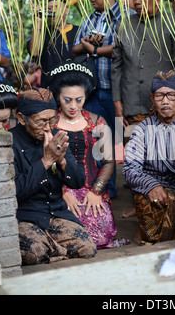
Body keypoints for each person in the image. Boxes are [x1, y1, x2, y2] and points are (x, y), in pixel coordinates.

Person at [49, 57, 130, 248]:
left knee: (100, 234)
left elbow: (109, 163)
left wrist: (96, 191)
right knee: (72, 233)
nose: (73, 106)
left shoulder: (97, 121)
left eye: (79, 100)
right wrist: (61, 192)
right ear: (57, 97)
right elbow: (45, 162)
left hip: (92, 187)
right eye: (67, 100)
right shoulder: (49, 123)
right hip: (58, 189)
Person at [9, 87, 96, 265]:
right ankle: (57, 250)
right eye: (41, 122)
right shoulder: (10, 142)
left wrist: (62, 160)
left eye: (52, 120)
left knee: (88, 247)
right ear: (21, 118)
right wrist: (47, 161)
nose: (48, 127)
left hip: (55, 212)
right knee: (35, 253)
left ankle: (53, 250)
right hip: (26, 216)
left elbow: (79, 181)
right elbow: (15, 191)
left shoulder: (56, 135)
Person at [123, 70, 175, 245]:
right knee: (147, 202)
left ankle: (164, 231)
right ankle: (162, 232)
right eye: (160, 96)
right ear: (152, 98)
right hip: (154, 191)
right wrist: (152, 186)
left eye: (171, 96)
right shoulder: (141, 129)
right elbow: (129, 169)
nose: (165, 101)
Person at [111, 0, 175, 128]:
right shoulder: (123, 25)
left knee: (165, 147)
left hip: (166, 108)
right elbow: (116, 66)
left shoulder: (174, 23)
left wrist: (166, 97)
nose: (136, 2)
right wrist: (117, 101)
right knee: (132, 147)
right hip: (132, 106)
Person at [72, 0, 124, 199]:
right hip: (92, 90)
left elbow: (124, 49)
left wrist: (95, 49)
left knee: (121, 140)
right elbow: (75, 48)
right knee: (99, 141)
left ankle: (127, 190)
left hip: (117, 92)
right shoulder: (88, 19)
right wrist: (86, 44)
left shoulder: (125, 17)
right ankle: (105, 189)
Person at [28, 0, 78, 88]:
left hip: (77, 85)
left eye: (57, 7)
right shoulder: (41, 33)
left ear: (66, 10)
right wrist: (37, 22)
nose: (53, 11)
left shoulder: (79, 31)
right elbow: (34, 53)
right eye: (50, 9)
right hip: (51, 87)